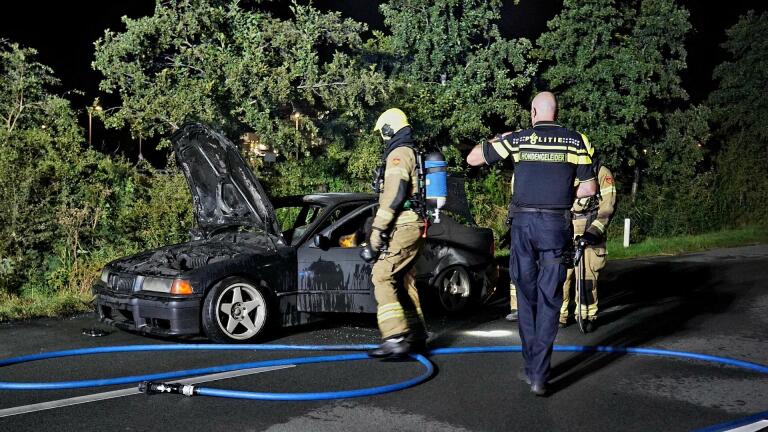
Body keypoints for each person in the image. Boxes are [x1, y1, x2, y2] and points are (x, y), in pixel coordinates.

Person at [466, 91, 596, 396]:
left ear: (533, 113)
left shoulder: (520, 138)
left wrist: (503, 136)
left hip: (523, 226)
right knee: (550, 298)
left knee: (525, 297)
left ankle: (530, 366)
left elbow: (472, 158)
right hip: (555, 225)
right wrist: (563, 192)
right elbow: (589, 187)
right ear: (557, 112)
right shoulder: (577, 141)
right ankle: (539, 374)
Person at [363, 108, 428, 359]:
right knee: (403, 279)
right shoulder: (411, 151)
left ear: (389, 129)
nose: (383, 138)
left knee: (381, 275)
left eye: (383, 133)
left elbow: (393, 197)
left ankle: (395, 337)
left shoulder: (398, 154)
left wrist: (377, 234)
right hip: (413, 225)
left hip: (404, 225)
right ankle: (416, 335)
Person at [559, 151, 616, 332]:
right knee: (562, 275)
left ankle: (586, 315)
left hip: (589, 230)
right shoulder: (566, 169)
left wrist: (594, 231)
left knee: (587, 277)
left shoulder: (601, 172)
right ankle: (560, 315)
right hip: (567, 228)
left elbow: (608, 206)